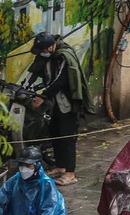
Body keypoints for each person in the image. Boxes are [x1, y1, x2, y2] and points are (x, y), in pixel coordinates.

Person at [26, 31, 89, 186]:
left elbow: (60, 80)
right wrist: (25, 87)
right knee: (56, 133)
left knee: (67, 137)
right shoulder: (47, 56)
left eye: (43, 50)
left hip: (67, 103)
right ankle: (60, 166)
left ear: (51, 47)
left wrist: (43, 97)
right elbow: (35, 72)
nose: (41, 53)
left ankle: (70, 173)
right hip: (54, 104)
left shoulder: (63, 56)